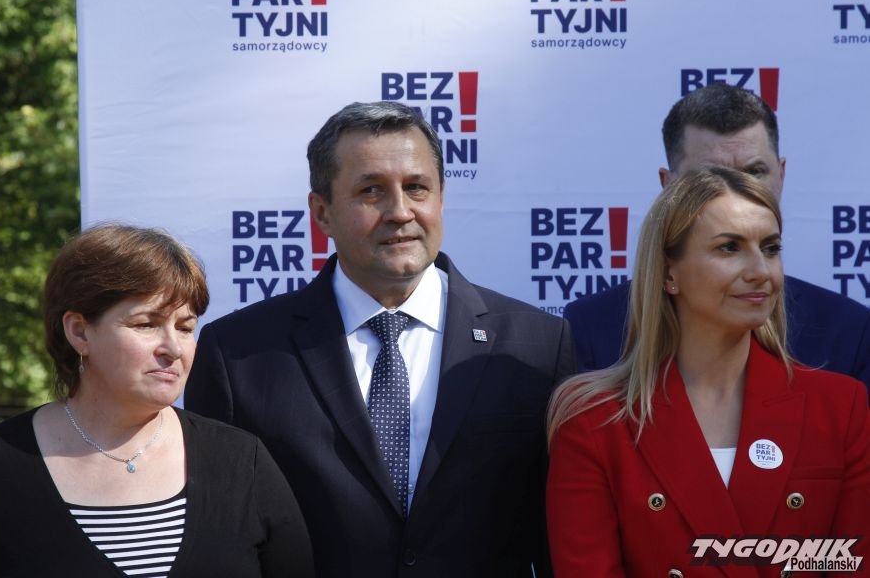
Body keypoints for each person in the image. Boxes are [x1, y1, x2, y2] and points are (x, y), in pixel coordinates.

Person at [185, 101, 576, 577]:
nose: (400, 212)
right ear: (321, 212)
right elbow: (219, 544)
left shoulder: (536, 344)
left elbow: (564, 541)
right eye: (371, 191)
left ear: (441, 198)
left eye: (416, 188)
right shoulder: (238, 355)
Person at [546, 166, 870, 576]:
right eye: (729, 248)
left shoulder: (839, 407)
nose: (760, 271)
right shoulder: (594, 420)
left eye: (770, 248)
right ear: (669, 272)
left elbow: (851, 564)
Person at [0, 224, 313, 578]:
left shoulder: (241, 462)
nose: (173, 348)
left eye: (185, 327)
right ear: (79, 331)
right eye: (147, 324)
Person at [564, 83, 870, 389]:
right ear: (668, 186)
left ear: (781, 175)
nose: (736, 193)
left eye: (755, 172)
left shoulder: (847, 331)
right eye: (709, 179)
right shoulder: (591, 327)